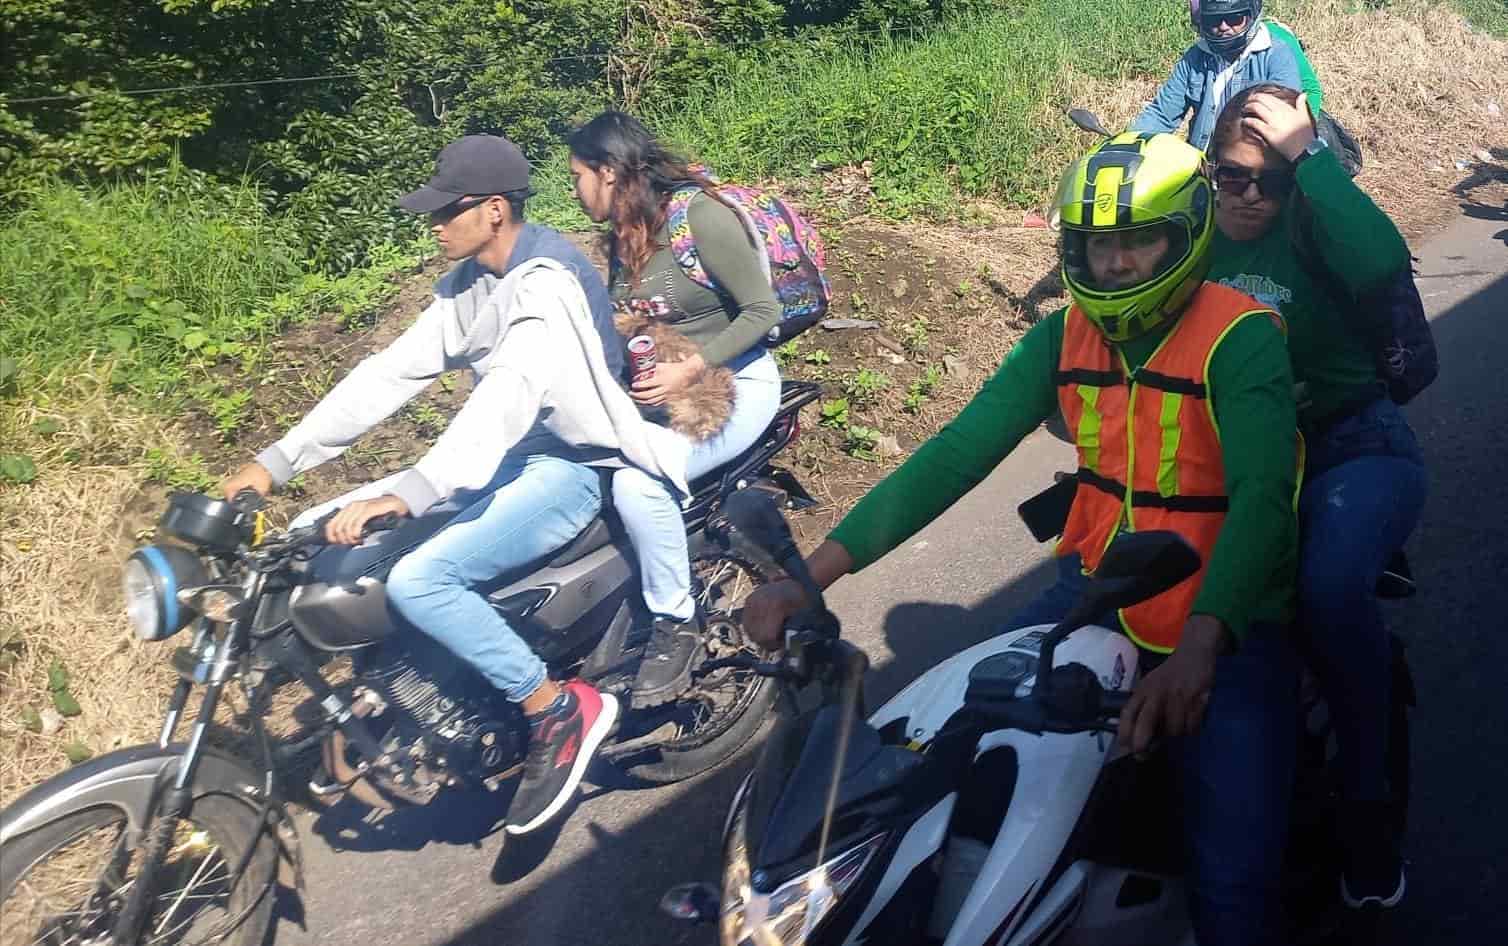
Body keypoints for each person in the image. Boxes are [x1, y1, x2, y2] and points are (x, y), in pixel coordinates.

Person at [745, 133, 1302, 946]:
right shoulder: (1063, 336)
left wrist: (1202, 650)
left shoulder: (1239, 334)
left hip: (1227, 607)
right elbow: (955, 456)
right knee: (944, 747)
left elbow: (1263, 499)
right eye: (1093, 247)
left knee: (1231, 870)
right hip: (1100, 588)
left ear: (1188, 235)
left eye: (1137, 242)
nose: (1112, 267)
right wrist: (813, 576)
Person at [221, 134, 693, 836]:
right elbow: (390, 373)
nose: (433, 225)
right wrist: (278, 462)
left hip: (579, 463)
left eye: (447, 211)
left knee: (420, 580)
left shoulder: (547, 283)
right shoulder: (470, 284)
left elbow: (505, 395)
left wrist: (414, 490)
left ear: (495, 210)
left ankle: (557, 710)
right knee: (312, 532)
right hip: (514, 455)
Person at [1204, 83, 1424, 909]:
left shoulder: (1313, 224)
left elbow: (1382, 261)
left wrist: (1310, 156)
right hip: (1232, 463)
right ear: (1210, 173)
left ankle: (1368, 811)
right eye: (1233, 176)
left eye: (1272, 178)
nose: (1251, 195)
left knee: (1329, 596)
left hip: (1351, 447)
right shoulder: (1190, 241)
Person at [567, 111, 784, 708]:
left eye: (578, 176)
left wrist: (692, 365)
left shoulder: (700, 219)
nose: (574, 190)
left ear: (608, 173)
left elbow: (762, 313)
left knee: (641, 486)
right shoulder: (620, 239)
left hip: (735, 385)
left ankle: (675, 624)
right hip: (661, 394)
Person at [1130, 0, 1301, 151]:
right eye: (1214, 20)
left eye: (1234, 18)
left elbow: (1283, 123)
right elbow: (1161, 114)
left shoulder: (1276, 55)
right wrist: (1127, 144)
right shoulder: (1195, 57)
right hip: (1201, 166)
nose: (1224, 26)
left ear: (1252, 15)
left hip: (1253, 170)